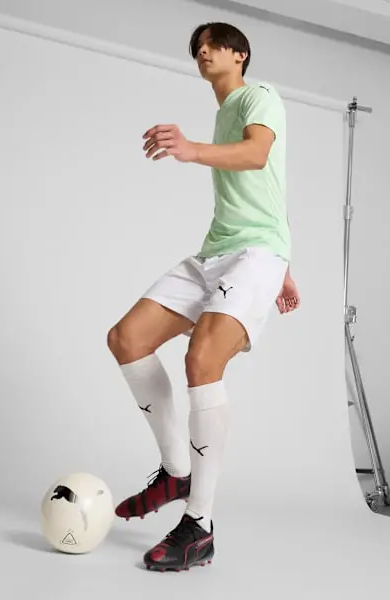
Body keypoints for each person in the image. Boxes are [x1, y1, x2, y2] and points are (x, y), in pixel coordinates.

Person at [107, 21, 300, 572]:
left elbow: (258, 155)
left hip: (254, 254)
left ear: (240, 55)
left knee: (202, 359)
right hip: (218, 253)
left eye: (214, 44)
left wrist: (191, 150)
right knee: (126, 339)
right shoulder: (223, 114)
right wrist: (287, 268)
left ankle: (200, 525)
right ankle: (176, 472)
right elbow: (268, 189)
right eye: (197, 48)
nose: (203, 51)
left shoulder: (260, 96)